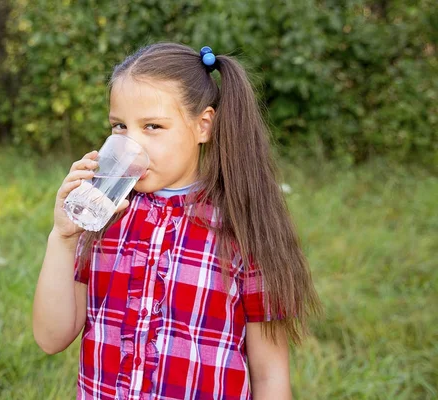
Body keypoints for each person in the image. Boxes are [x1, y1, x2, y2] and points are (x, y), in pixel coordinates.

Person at [33, 42, 321, 400]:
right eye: (119, 127)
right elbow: (51, 337)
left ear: (203, 126)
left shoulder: (241, 229)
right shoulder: (105, 217)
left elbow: (270, 374)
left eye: (152, 126)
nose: (132, 143)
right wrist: (62, 238)